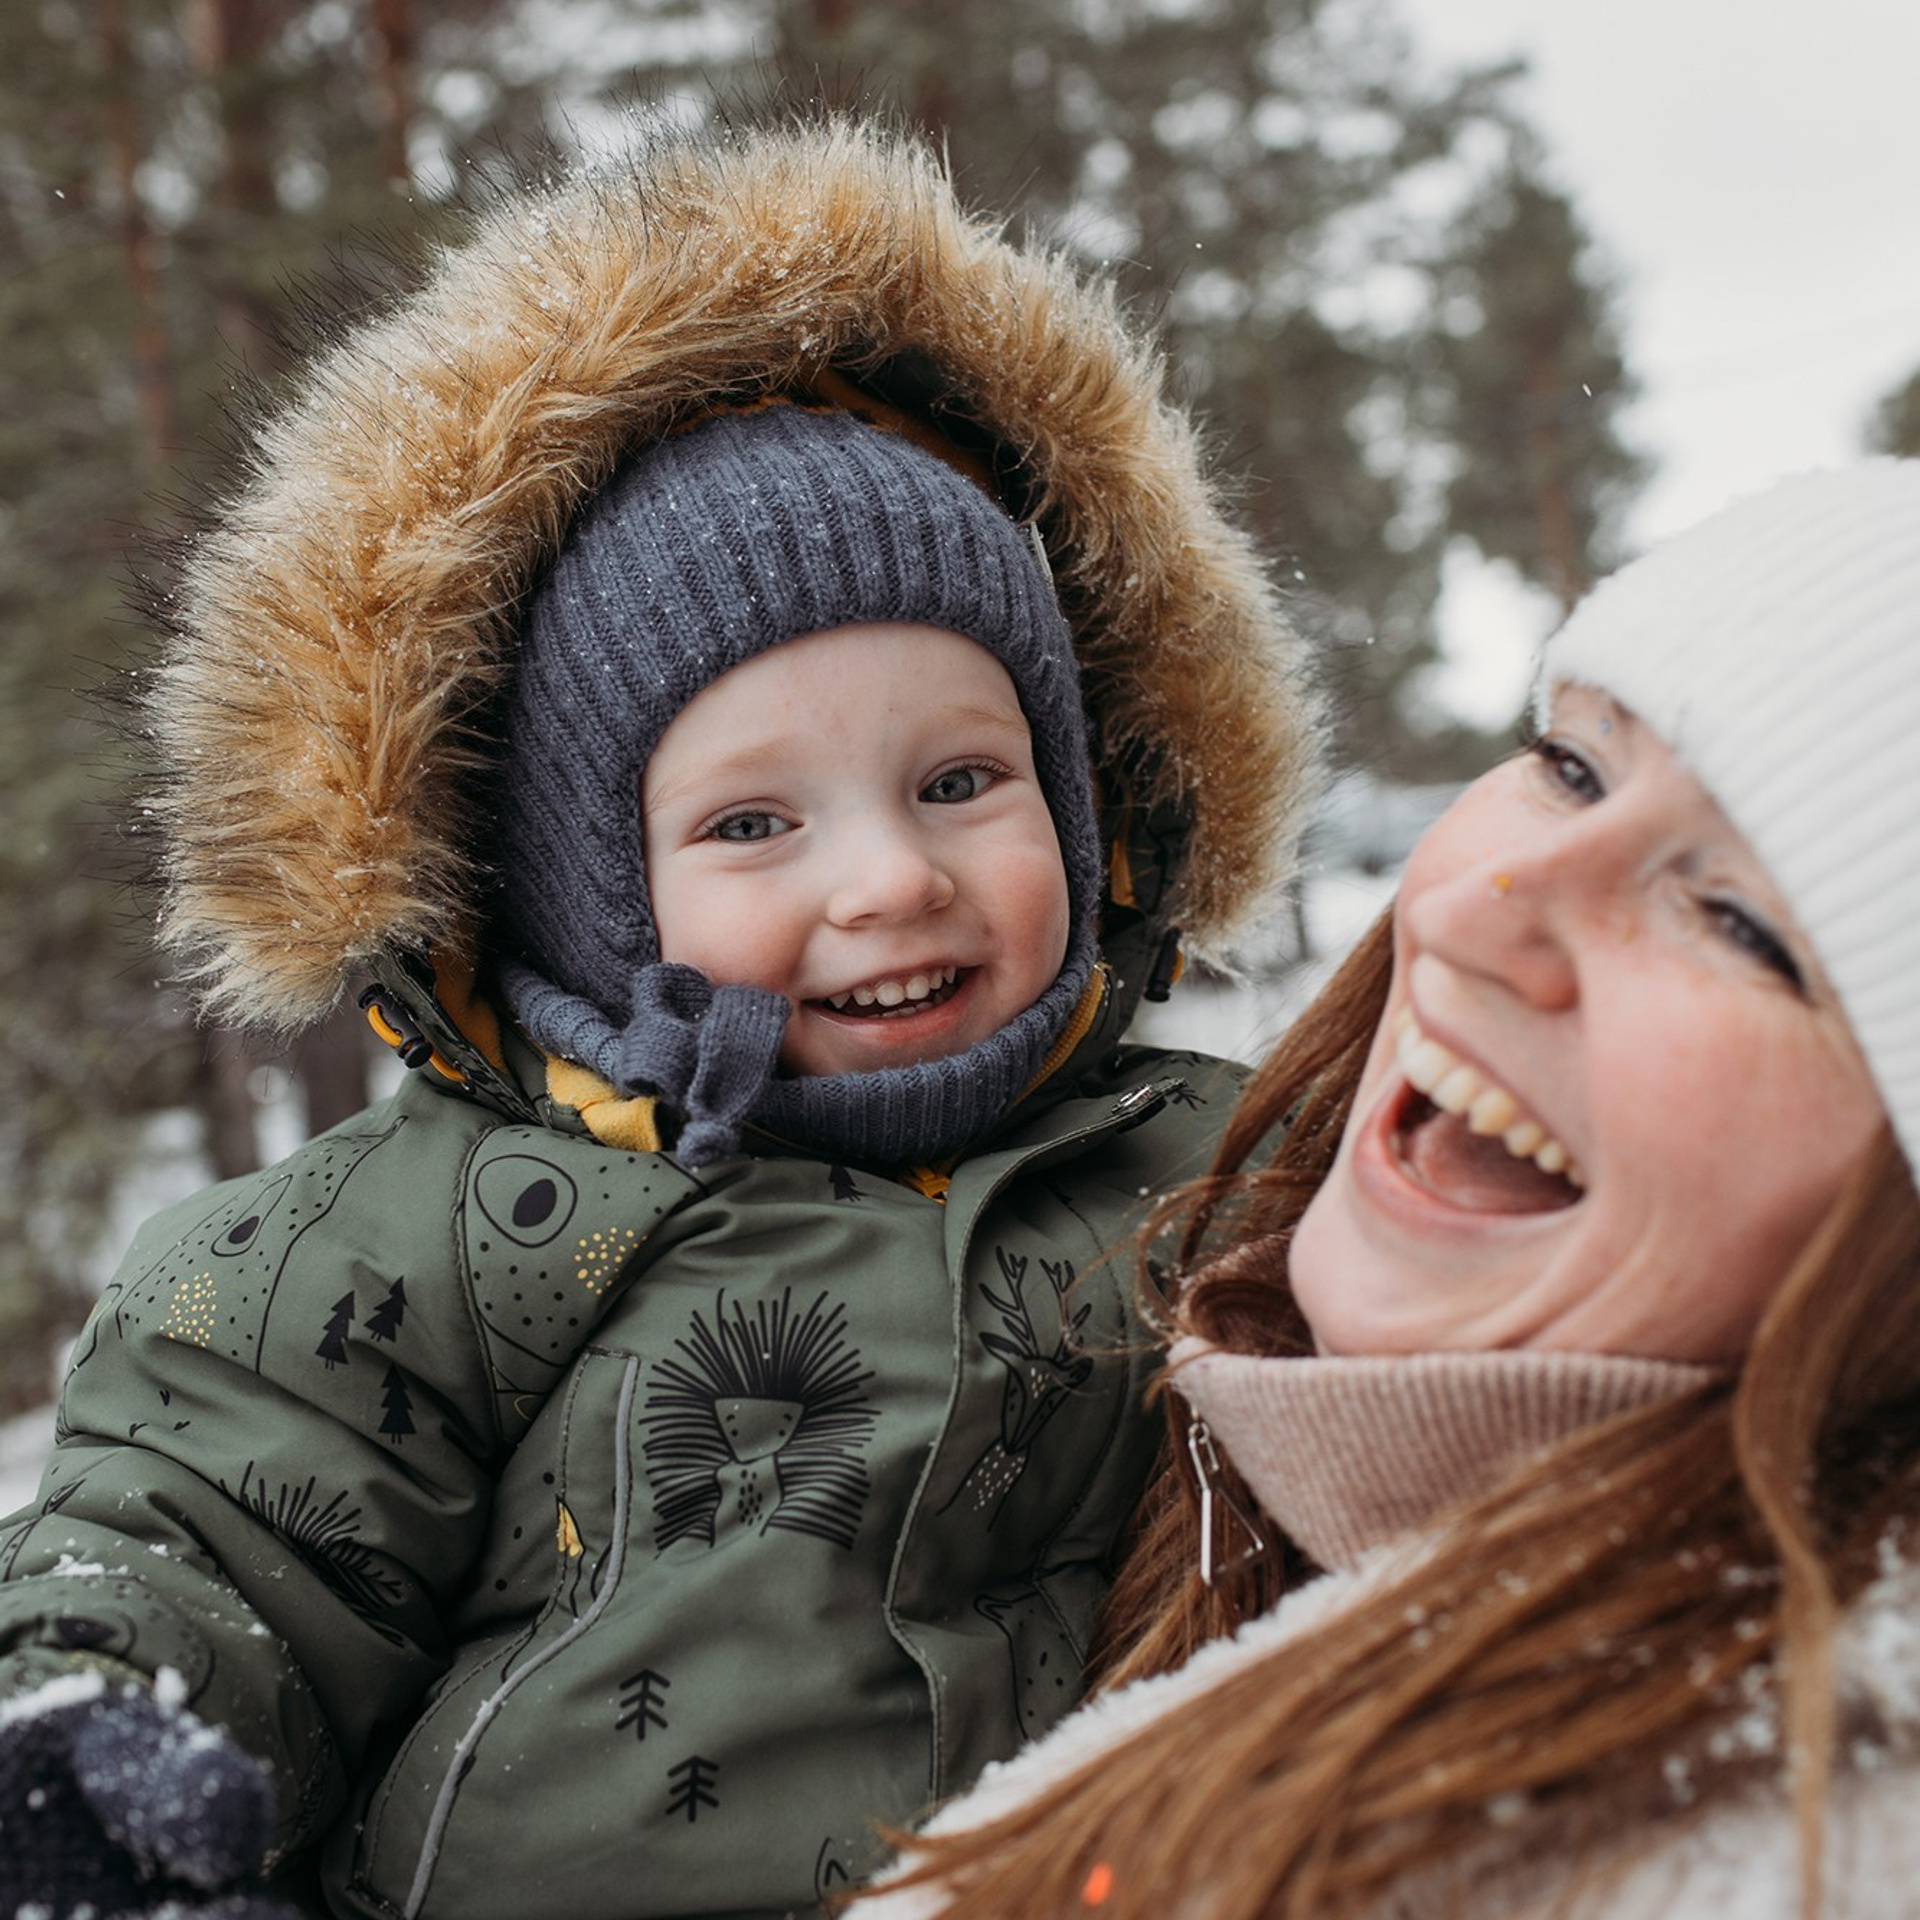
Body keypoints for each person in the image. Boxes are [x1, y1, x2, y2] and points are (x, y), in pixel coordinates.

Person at [0, 122, 1323, 1920]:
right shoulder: (452, 1220)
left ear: (1088, 814)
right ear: (588, 897)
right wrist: (97, 1714)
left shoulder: (1226, 1164)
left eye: (960, 780)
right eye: (751, 824)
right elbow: (217, 1510)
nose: (886, 882)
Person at [863, 460, 1920, 1920]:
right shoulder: (1202, 1468)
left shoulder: (1770, 1854)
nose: (1477, 914)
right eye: (1572, 767)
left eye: (1739, 923)